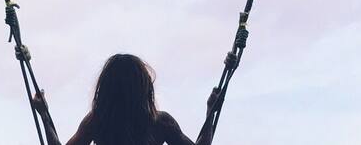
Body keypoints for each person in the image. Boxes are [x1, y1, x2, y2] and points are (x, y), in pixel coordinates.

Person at [30, 54, 221, 145]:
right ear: (144, 89)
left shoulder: (98, 122)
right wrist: (210, 113)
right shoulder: (160, 123)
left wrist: (45, 116)